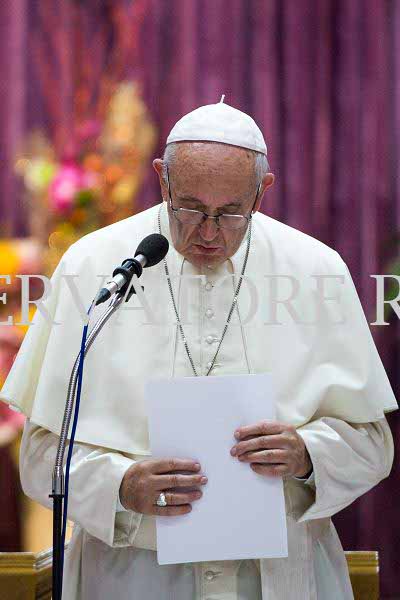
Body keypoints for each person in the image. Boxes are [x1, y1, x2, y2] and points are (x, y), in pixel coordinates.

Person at [1, 99, 397, 599]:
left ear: (262, 191)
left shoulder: (316, 269)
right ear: (162, 180)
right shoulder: (93, 265)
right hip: (133, 576)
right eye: (189, 208)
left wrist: (307, 455)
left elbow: (373, 445)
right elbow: (41, 456)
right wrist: (120, 485)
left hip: (279, 577)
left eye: (230, 213)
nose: (208, 232)